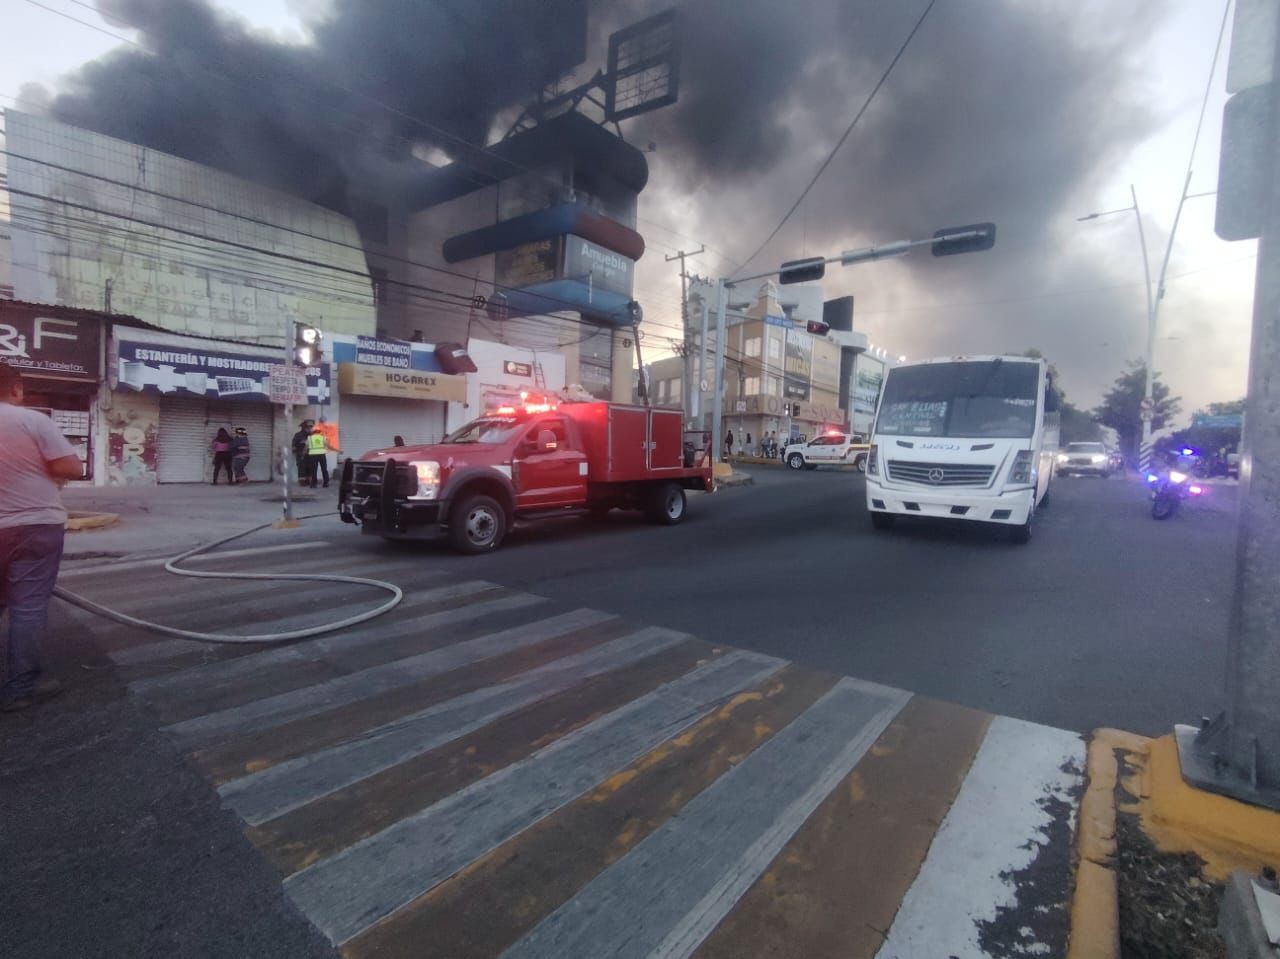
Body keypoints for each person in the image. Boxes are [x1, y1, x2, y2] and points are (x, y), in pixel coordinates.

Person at [0, 362, 84, 712]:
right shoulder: (32, 421)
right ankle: (20, 689)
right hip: (34, 525)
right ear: (16, 388)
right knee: (27, 608)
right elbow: (70, 468)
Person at [306, 423, 341, 488]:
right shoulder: (323, 438)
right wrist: (338, 451)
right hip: (322, 455)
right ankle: (326, 483)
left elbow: (306, 447)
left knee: (314, 470)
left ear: (313, 431)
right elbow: (329, 447)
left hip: (313, 455)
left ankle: (313, 484)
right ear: (319, 431)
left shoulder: (309, 438)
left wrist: (303, 454)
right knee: (324, 469)